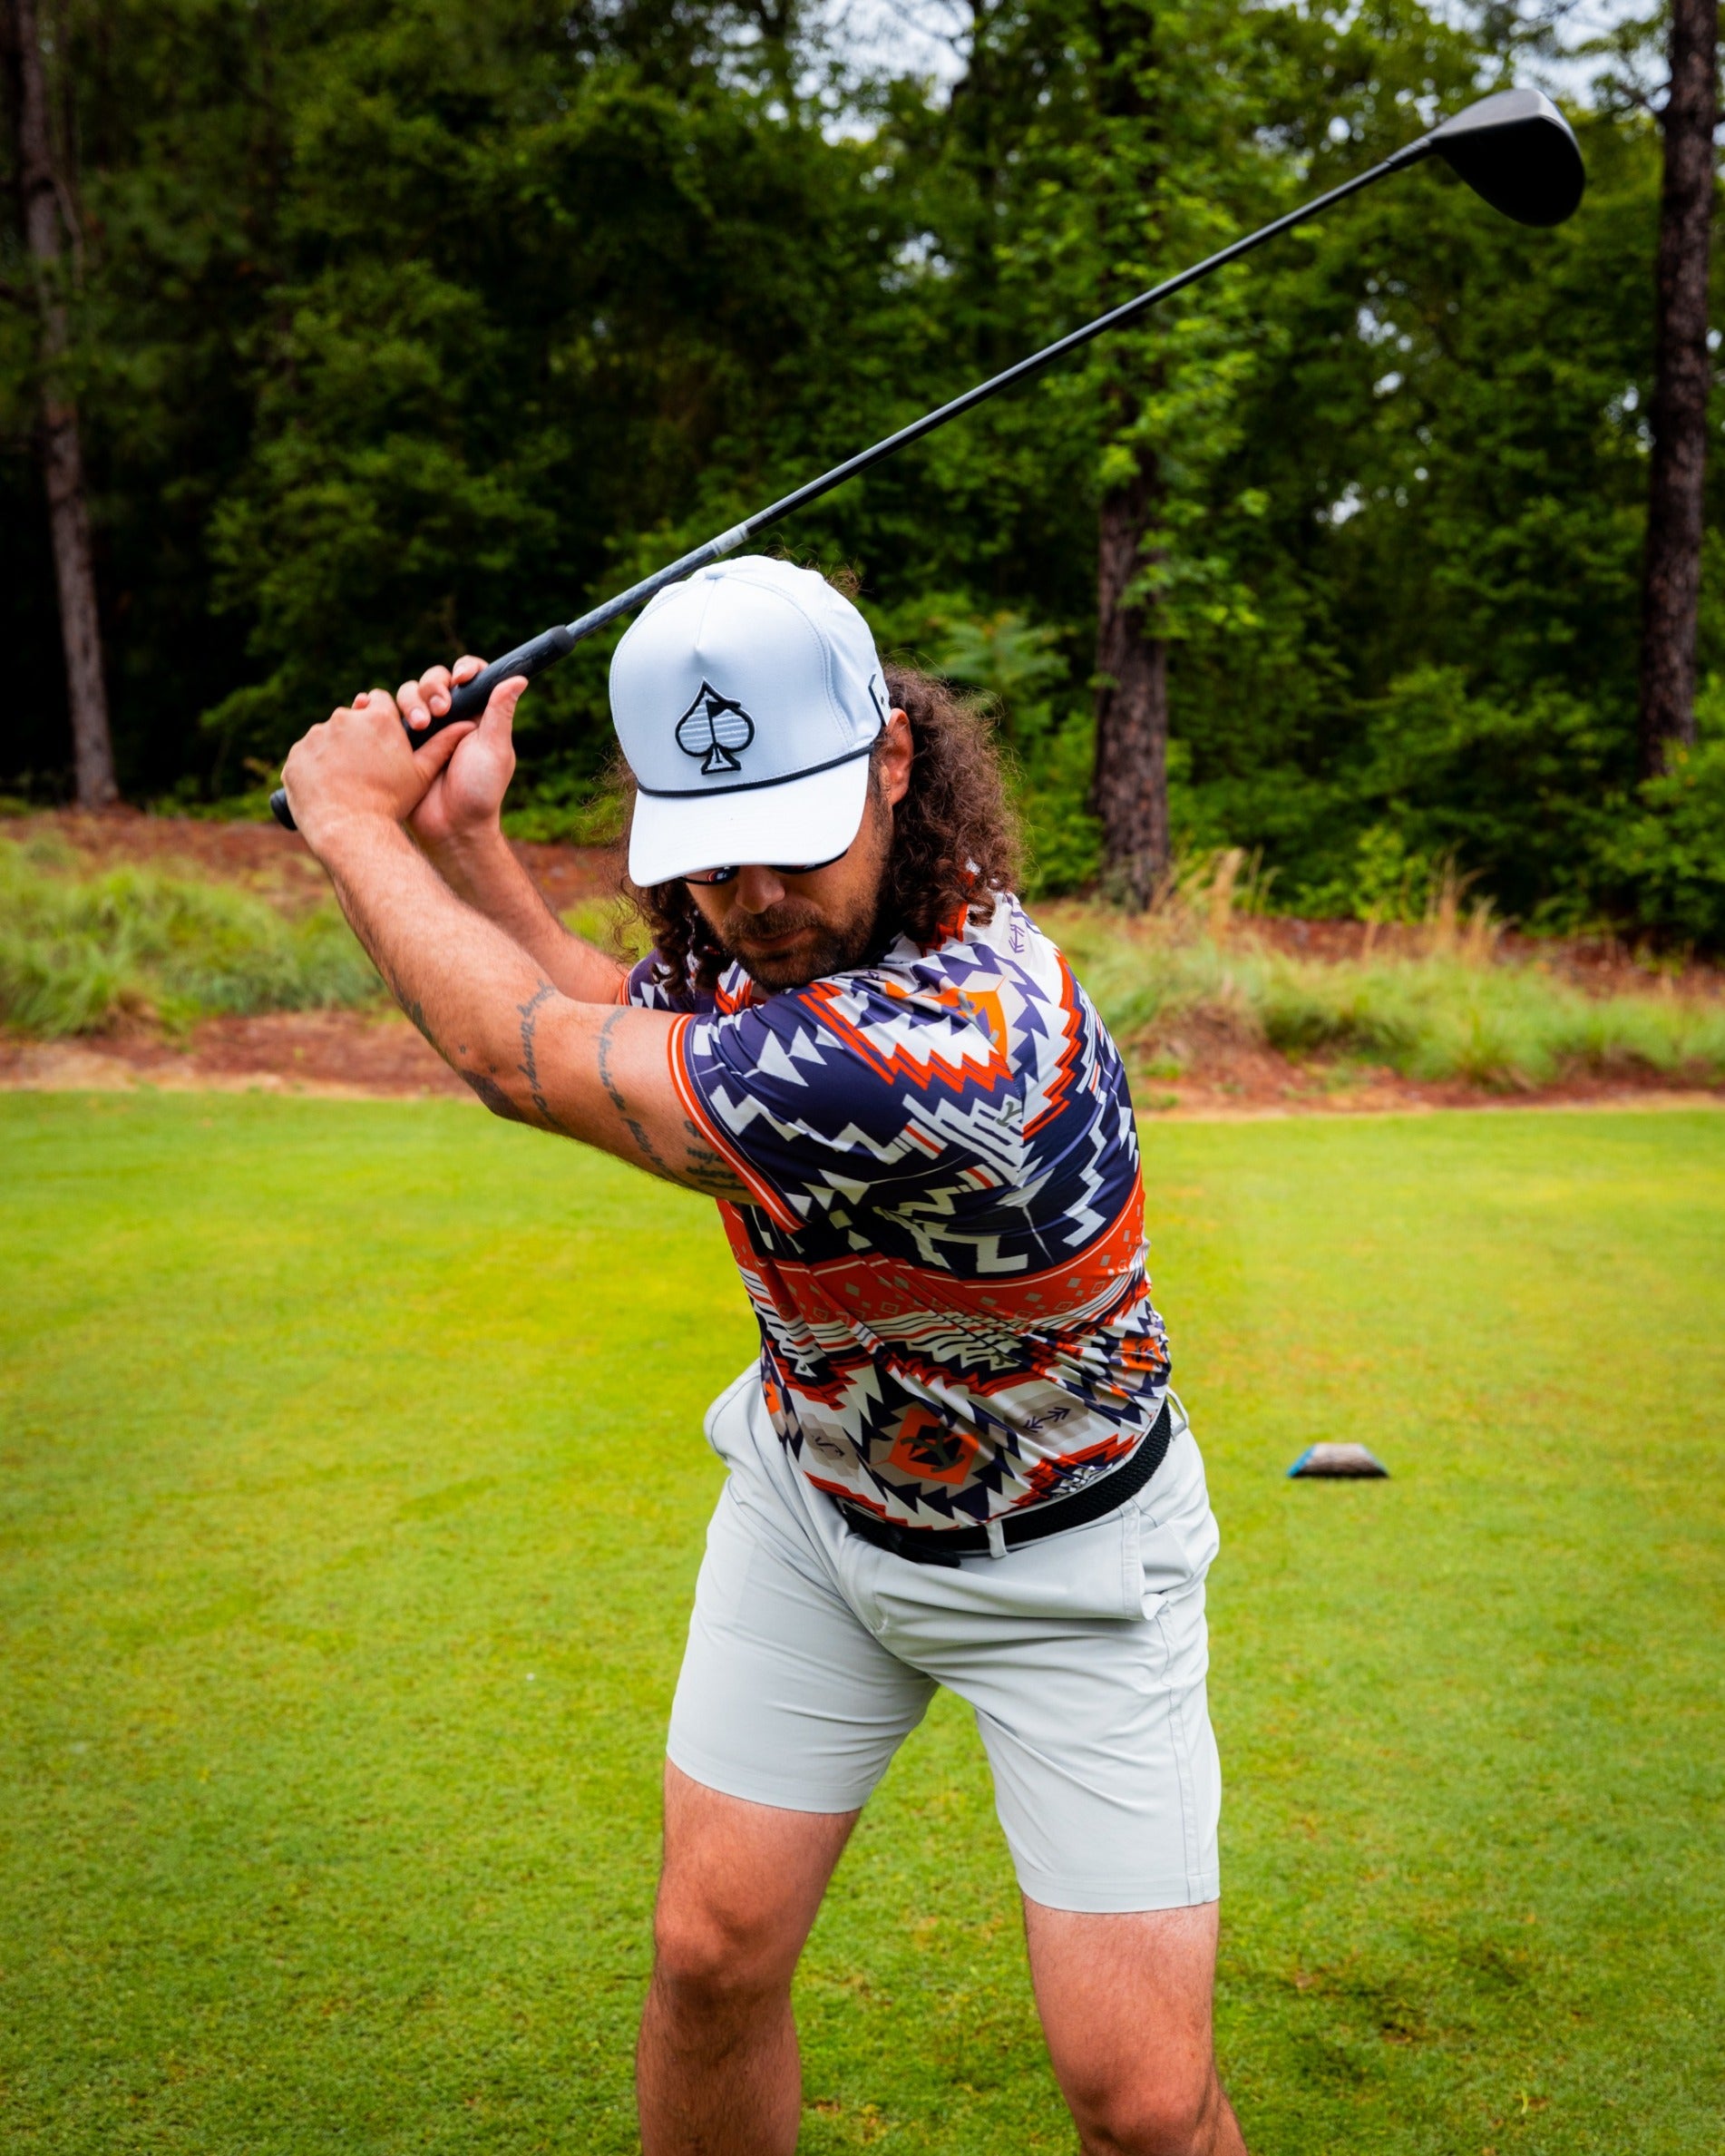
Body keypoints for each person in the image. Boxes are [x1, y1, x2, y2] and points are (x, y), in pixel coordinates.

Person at [279, 555, 1247, 2156]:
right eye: (708, 861)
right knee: (708, 1955)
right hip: (815, 1507)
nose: (753, 899)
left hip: (1071, 1555)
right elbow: (624, 1012)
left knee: (1138, 2099)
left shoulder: (961, 1038)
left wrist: (352, 821)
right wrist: (472, 849)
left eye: (787, 848)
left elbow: (534, 1063)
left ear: (891, 765)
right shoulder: (778, 949)